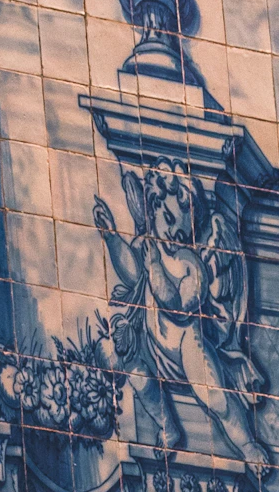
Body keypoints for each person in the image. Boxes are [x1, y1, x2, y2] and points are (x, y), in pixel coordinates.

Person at [94, 170, 269, 474]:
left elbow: (180, 306)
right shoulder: (148, 248)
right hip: (153, 343)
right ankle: (167, 428)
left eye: (178, 222)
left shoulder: (190, 262)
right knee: (136, 373)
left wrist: (155, 269)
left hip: (187, 345)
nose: (171, 228)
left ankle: (248, 447)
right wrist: (111, 238)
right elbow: (131, 274)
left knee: (217, 401)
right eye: (164, 217)